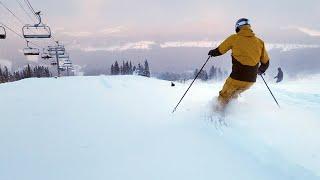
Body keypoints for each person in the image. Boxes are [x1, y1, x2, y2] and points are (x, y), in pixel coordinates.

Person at [208, 18, 270, 112]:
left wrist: (212, 53)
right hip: (251, 80)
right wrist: (260, 70)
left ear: (238, 27)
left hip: (237, 77)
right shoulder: (260, 42)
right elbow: (266, 62)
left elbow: (220, 50)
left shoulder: (234, 38)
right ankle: (232, 113)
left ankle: (216, 113)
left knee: (224, 95)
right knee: (233, 95)